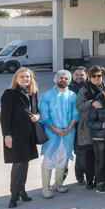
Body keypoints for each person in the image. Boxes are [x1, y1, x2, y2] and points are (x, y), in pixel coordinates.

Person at [0, 68, 40, 207]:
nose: (25, 79)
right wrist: (7, 135)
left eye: (27, 77)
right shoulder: (10, 94)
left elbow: (37, 110)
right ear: (16, 79)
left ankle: (22, 190)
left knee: (25, 162)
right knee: (18, 163)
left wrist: (37, 116)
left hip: (29, 134)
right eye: (22, 77)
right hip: (16, 135)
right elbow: (4, 116)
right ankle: (14, 195)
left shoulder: (32, 93)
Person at [38, 70, 80, 199]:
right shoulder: (47, 96)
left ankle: (58, 184)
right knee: (49, 159)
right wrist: (54, 128)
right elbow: (44, 115)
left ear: (69, 81)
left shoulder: (73, 96)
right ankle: (45, 188)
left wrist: (69, 128)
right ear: (56, 79)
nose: (64, 80)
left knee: (63, 158)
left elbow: (75, 113)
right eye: (61, 78)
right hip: (51, 133)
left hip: (67, 133)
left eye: (66, 78)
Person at [77, 65, 105, 184]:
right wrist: (91, 103)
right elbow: (79, 106)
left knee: (102, 156)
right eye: (93, 76)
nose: (96, 78)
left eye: (99, 75)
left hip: (101, 126)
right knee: (90, 156)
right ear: (89, 77)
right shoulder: (84, 90)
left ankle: (100, 179)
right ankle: (89, 180)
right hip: (87, 128)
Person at [69, 66, 88, 185]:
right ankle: (79, 175)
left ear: (86, 76)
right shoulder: (67, 88)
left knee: (84, 151)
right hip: (70, 125)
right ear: (72, 75)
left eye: (82, 75)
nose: (79, 77)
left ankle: (86, 174)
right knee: (78, 152)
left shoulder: (90, 87)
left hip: (86, 124)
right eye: (77, 74)